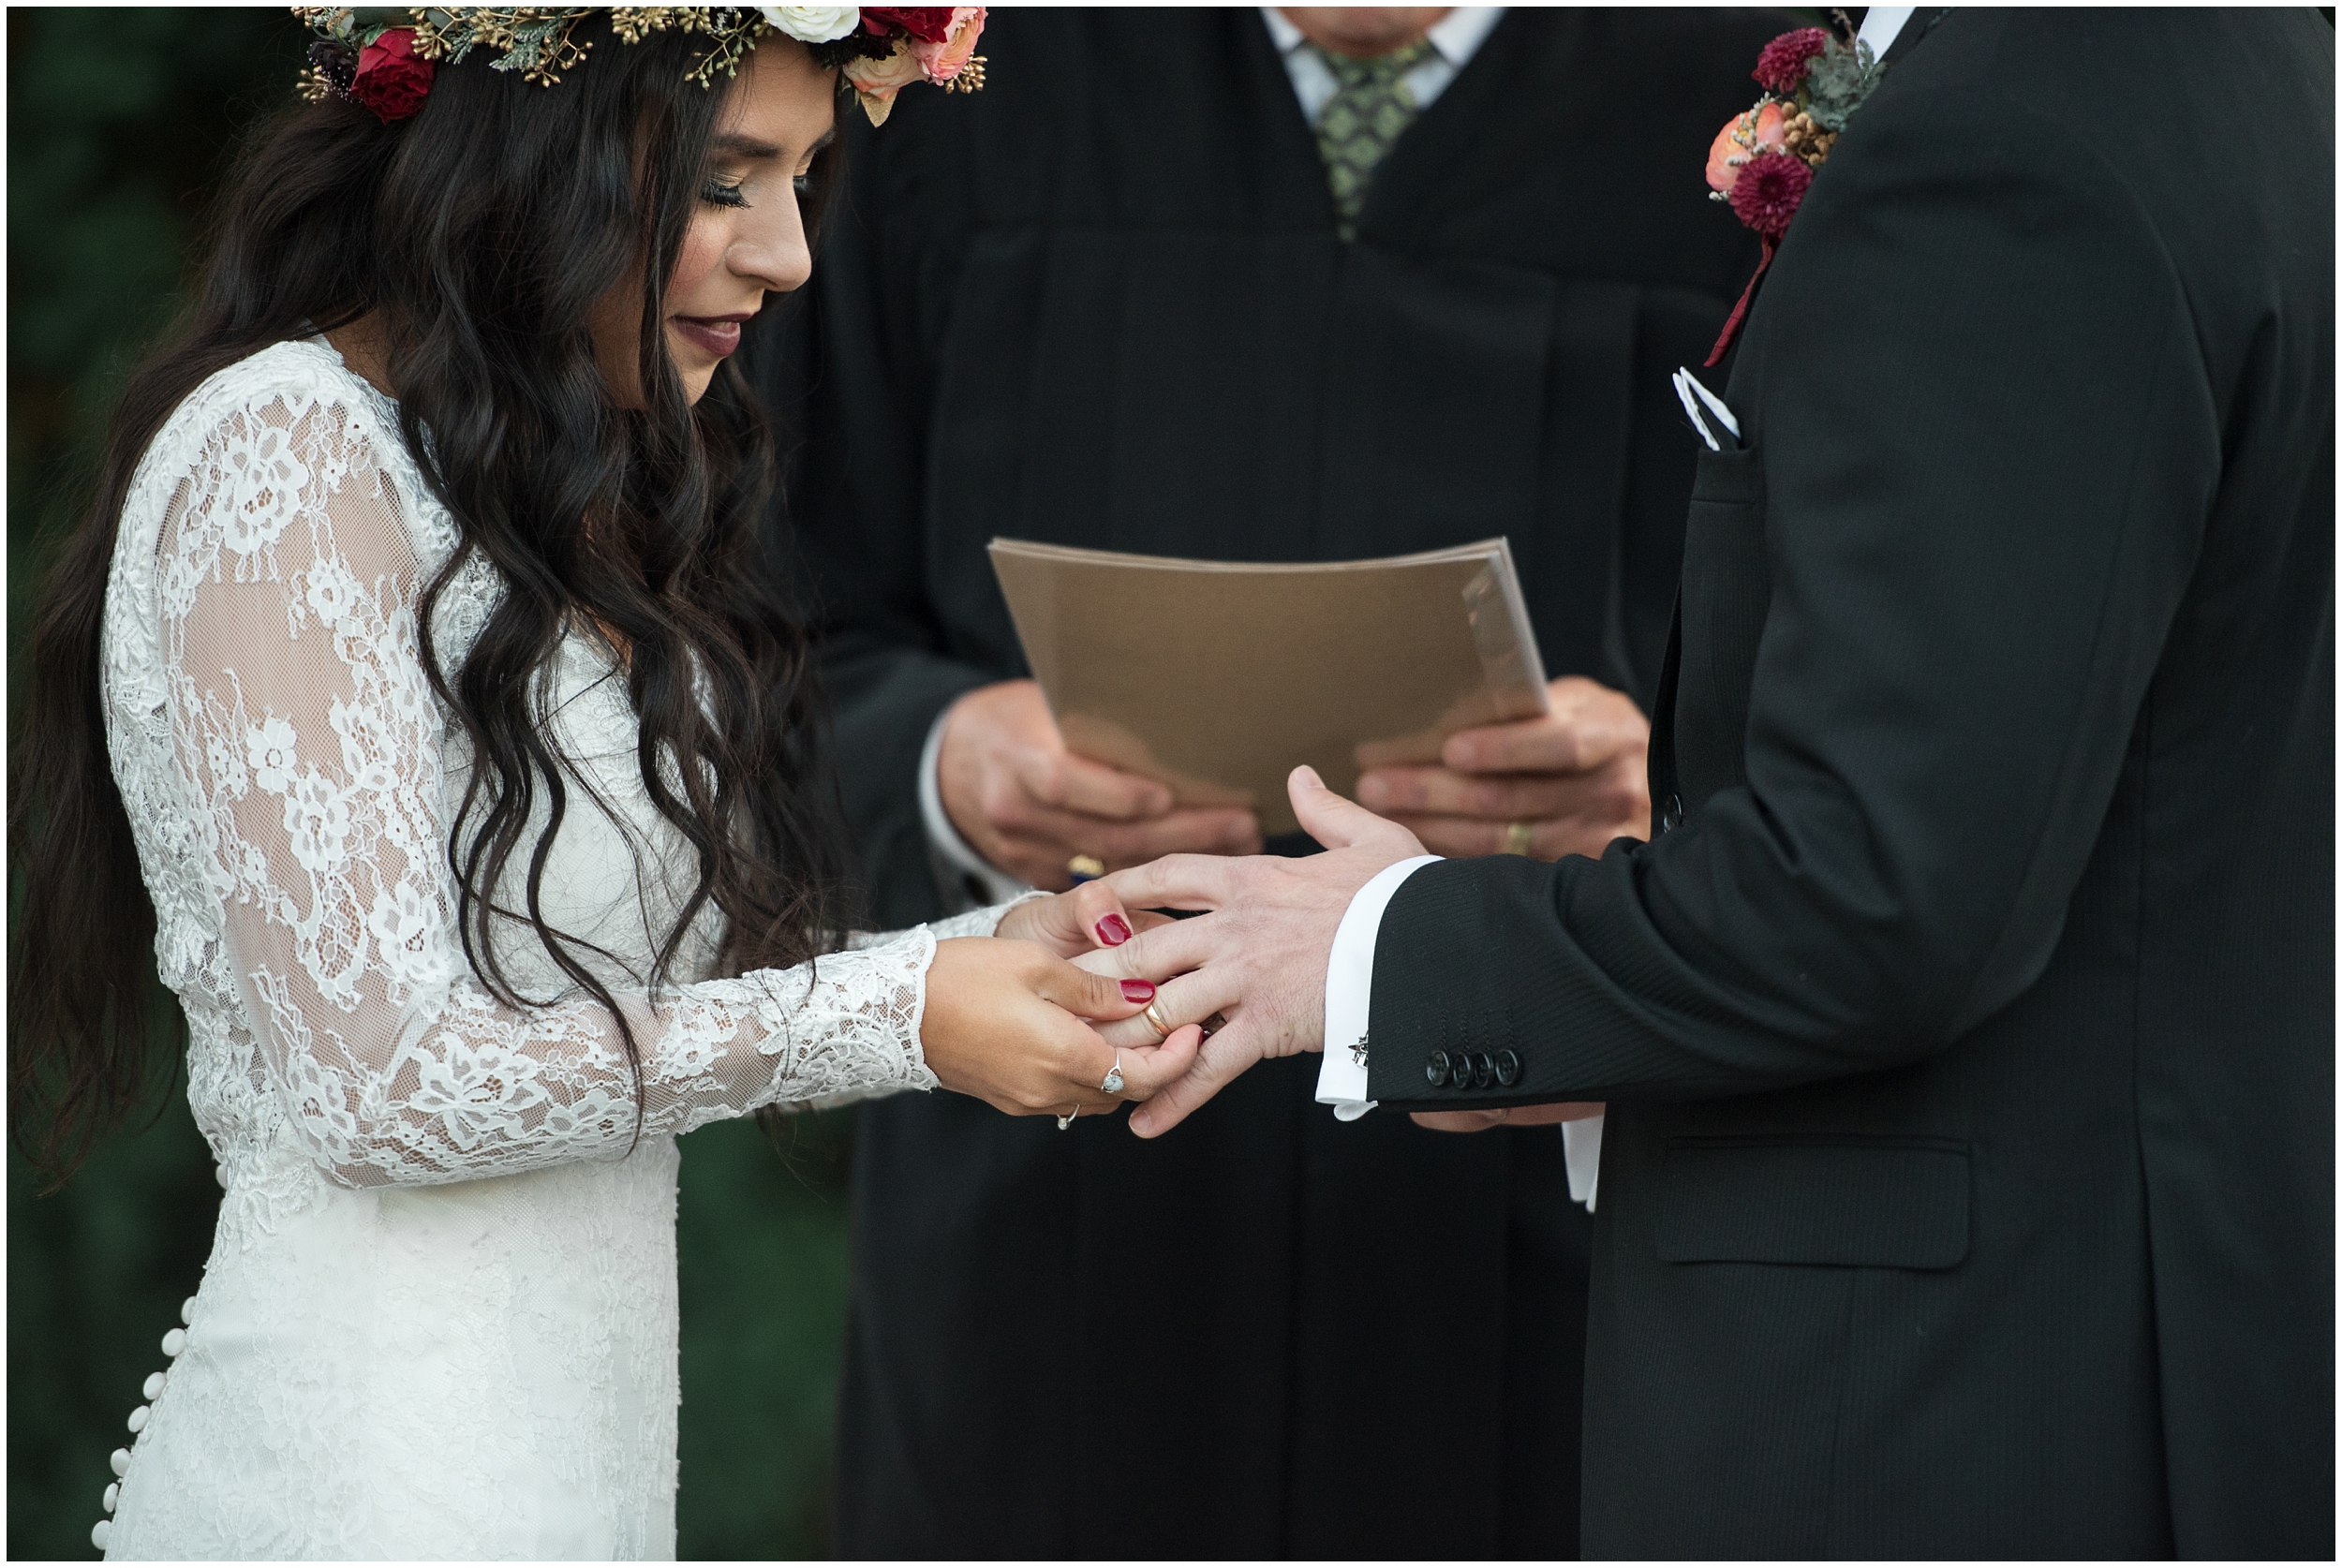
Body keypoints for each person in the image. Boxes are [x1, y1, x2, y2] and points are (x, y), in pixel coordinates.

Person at [1089, 7, 2335, 1559]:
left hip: (1956, 1417)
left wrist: (1367, 950)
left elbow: (1880, 889)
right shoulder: (2223, 56)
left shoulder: (2006, 133)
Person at [7, 9, 1193, 1560]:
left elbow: (623, 1000)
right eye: (723, 181)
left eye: (805, 182)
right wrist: (896, 1020)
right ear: (530, 158)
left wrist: (959, 965)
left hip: (576, 1475)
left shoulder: (542, 483)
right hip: (368, 1482)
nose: (790, 259)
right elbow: (383, 1083)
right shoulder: (283, 458)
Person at [759, 6, 1781, 1555]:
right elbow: (753, 639)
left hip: (1542, 1223)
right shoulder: (970, 88)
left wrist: (1662, 793)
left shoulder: (1746, 117)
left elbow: (1879, 732)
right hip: (1052, 1218)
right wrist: (941, 760)